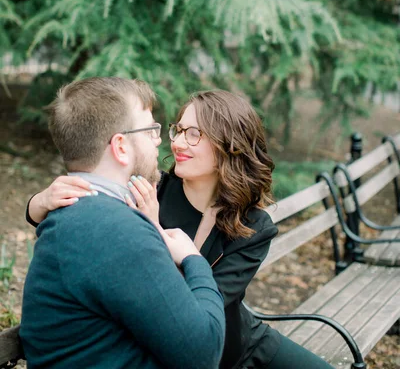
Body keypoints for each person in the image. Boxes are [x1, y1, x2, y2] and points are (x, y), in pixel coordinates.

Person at [27, 88, 334, 369]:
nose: (177, 142)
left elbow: (199, 301)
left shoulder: (254, 225)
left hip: (237, 344)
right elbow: (90, 218)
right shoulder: (150, 188)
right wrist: (37, 203)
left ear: (230, 146)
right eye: (178, 129)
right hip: (184, 352)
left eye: (194, 134)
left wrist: (157, 233)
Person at [21, 77, 225, 369]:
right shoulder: (113, 230)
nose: (160, 140)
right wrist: (194, 259)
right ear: (120, 146)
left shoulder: (87, 215)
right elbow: (204, 354)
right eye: (150, 130)